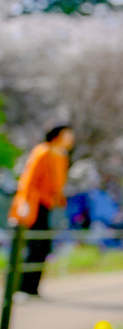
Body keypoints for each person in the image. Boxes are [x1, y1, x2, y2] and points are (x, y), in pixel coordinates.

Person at [7, 125, 74, 297]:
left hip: (50, 206)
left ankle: (33, 287)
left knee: (43, 247)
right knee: (32, 245)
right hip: (35, 205)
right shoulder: (42, 152)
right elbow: (29, 180)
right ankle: (21, 287)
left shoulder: (62, 156)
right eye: (68, 135)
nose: (71, 139)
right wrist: (24, 203)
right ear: (57, 135)